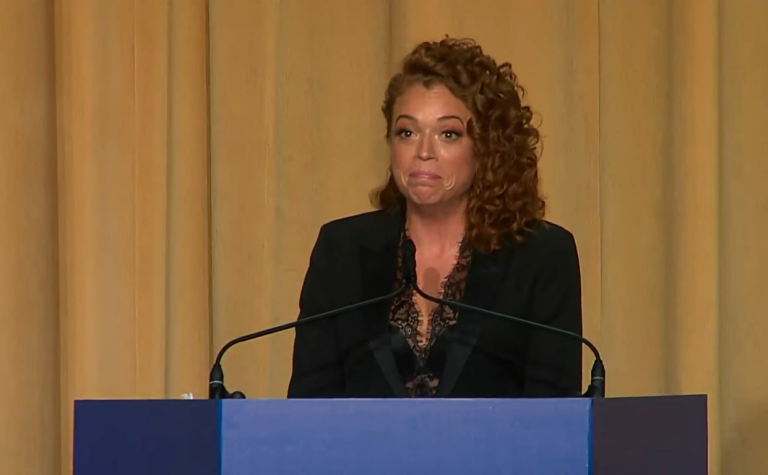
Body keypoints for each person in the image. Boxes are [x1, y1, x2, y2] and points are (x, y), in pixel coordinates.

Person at [287, 37, 583, 399]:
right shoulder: (341, 251)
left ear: (486, 148)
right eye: (407, 132)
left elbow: (554, 417)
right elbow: (306, 409)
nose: (423, 152)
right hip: (360, 456)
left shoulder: (541, 256)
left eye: (448, 134)